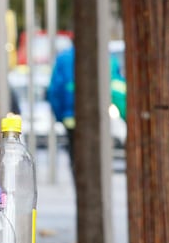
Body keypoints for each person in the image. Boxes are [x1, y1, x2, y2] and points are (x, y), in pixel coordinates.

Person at [47, 44, 126, 173]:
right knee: (97, 154)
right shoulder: (108, 58)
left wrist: (60, 116)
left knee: (76, 155)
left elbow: (55, 90)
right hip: (99, 119)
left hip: (71, 119)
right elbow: (117, 88)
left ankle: (79, 176)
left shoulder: (64, 58)